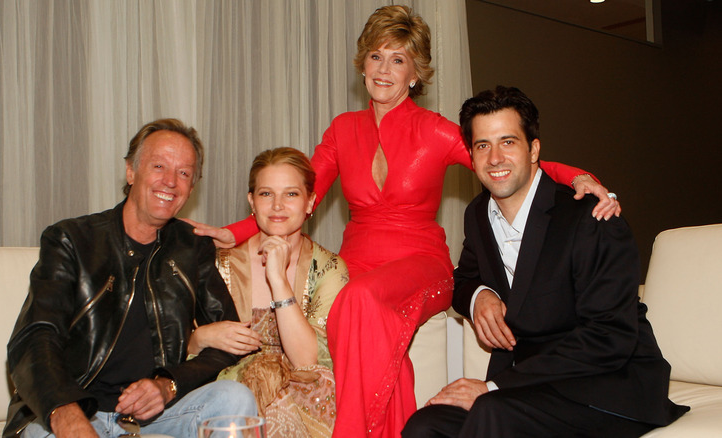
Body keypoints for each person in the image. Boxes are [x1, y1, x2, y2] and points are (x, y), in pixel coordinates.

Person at [186, 6, 620, 437]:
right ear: (363, 64)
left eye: (398, 59)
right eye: (376, 56)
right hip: (356, 264)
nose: (383, 69)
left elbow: (504, 162)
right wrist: (235, 231)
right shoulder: (342, 130)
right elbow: (298, 193)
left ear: (415, 73)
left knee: (356, 301)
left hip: (421, 264)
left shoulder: (435, 131)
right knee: (361, 317)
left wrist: (579, 177)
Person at [402, 86, 689, 437]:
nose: (495, 158)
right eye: (483, 145)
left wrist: (494, 387)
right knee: (424, 425)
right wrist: (480, 296)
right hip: (531, 386)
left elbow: (609, 337)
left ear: (534, 149)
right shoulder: (478, 214)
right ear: (472, 156)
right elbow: (463, 279)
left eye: (508, 142)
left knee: (494, 412)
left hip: (609, 386)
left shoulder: (592, 219)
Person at [4, 118, 257, 438]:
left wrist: (168, 385)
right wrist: (67, 414)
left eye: (184, 173)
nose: (170, 181)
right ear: (130, 171)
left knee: (235, 399)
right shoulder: (72, 240)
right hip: (76, 407)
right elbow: (34, 337)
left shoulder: (192, 246)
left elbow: (232, 342)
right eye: (159, 166)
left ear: (191, 188)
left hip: (156, 416)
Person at [187, 147, 347, 438]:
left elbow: (307, 362)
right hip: (228, 394)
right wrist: (199, 338)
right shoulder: (218, 263)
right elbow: (171, 350)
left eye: (291, 194)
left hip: (307, 398)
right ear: (251, 200)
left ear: (310, 201)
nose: (277, 206)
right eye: (266, 194)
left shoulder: (328, 268)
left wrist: (278, 279)